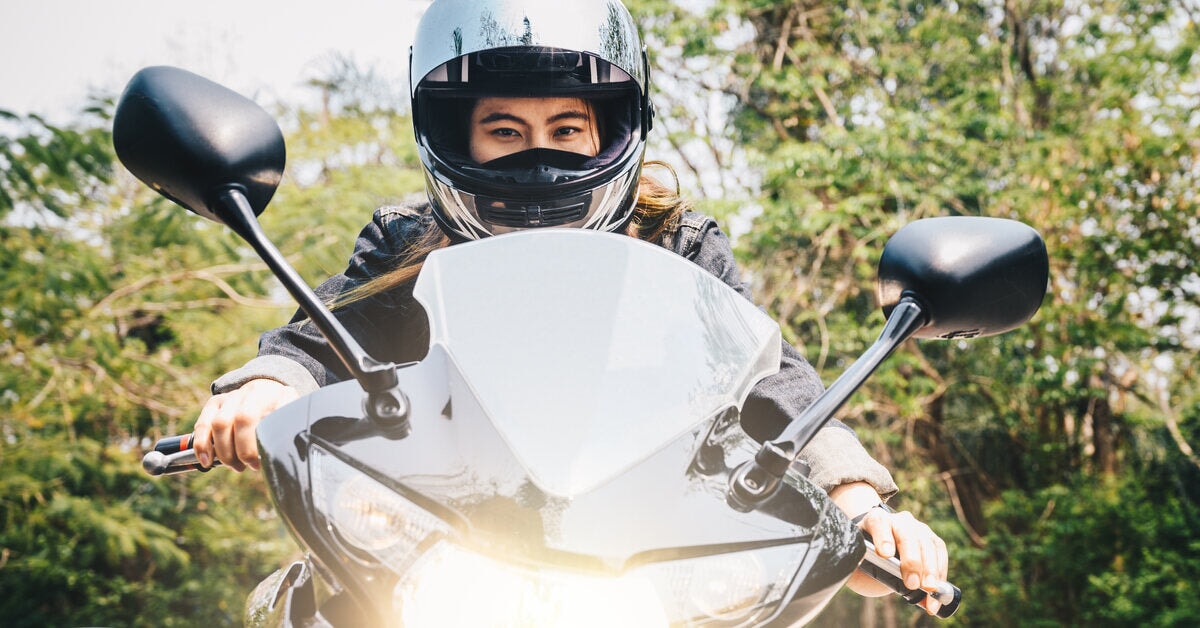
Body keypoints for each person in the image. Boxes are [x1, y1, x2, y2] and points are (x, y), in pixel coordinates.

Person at [191, 0, 949, 614]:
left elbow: (774, 385)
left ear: (609, 134)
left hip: (637, 560)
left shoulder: (679, 245)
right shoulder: (406, 242)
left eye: (565, 129)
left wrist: (856, 504)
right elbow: (323, 337)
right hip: (442, 538)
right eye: (504, 131)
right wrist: (266, 388)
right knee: (290, 607)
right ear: (457, 135)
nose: (538, 153)